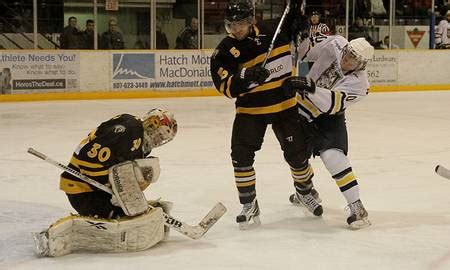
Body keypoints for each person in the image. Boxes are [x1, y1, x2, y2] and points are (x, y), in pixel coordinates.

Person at [210, 0, 322, 230]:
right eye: (231, 25)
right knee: (240, 157)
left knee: (298, 155)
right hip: (250, 111)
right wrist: (246, 76)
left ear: (251, 21)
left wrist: (299, 13)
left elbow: (297, 20)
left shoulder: (275, 30)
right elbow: (225, 87)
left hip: (285, 107)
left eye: (240, 24)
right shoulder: (223, 51)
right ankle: (249, 203)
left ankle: (304, 191)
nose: (235, 30)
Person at [32, 109, 178, 256]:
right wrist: (112, 185)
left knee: (146, 171)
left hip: (98, 189)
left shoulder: (138, 139)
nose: (158, 140)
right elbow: (86, 159)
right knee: (122, 220)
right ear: (151, 124)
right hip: (83, 190)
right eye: (159, 134)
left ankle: (124, 207)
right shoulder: (129, 131)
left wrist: (121, 191)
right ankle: (55, 236)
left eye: (163, 138)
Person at [283, 35, 374, 229]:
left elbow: (331, 104)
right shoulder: (335, 43)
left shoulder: (360, 84)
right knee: (295, 154)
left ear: (362, 64)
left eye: (354, 59)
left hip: (329, 116)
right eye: (348, 53)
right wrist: (301, 35)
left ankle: (356, 206)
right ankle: (305, 191)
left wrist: (309, 86)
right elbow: (306, 54)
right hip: (301, 107)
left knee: (333, 157)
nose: (347, 59)